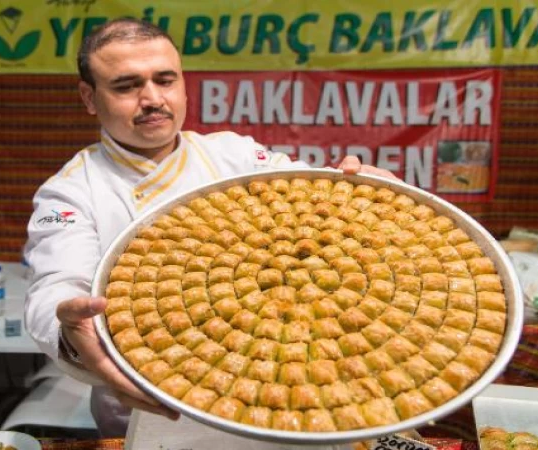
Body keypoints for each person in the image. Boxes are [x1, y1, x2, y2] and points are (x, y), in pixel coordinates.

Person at [24, 17, 398, 437]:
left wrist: (360, 186)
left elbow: (312, 197)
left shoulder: (235, 156)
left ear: (184, 86)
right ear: (89, 97)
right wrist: (72, 331)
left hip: (283, 391)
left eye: (165, 80)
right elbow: (55, 287)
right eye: (127, 86)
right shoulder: (72, 192)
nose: (152, 99)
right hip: (151, 406)